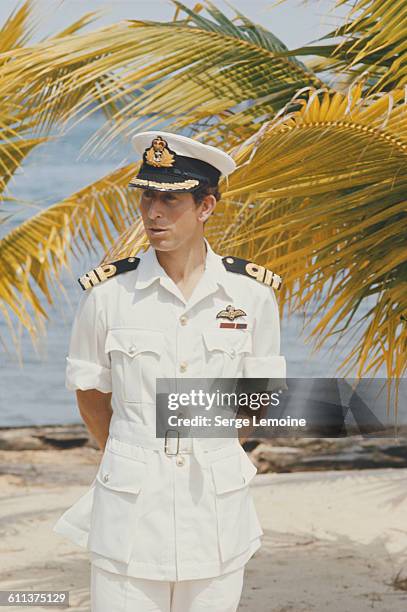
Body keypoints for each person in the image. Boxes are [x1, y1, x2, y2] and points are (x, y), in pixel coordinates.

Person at [53, 131, 286, 612]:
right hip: (129, 515)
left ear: (206, 207)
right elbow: (91, 393)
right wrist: (133, 451)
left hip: (217, 513)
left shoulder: (252, 296)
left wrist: (213, 443)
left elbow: (255, 397)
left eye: (171, 200)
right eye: (147, 197)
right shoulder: (107, 295)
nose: (153, 213)